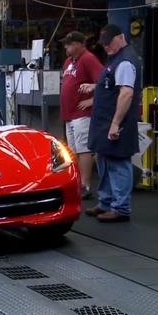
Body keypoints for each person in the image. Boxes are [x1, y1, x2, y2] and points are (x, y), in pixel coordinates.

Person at [80, 24, 142, 223]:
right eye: (103, 43)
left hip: (115, 123)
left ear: (121, 37)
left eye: (109, 42)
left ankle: (121, 208)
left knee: (118, 164)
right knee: (104, 162)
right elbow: (112, 85)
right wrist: (94, 86)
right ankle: (106, 202)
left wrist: (115, 124)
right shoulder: (115, 59)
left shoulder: (125, 61)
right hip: (103, 123)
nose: (106, 46)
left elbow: (126, 94)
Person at [59, 31, 104, 199]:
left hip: (82, 113)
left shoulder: (88, 58)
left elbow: (104, 81)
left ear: (79, 44)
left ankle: (85, 185)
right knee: (72, 150)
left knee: (84, 149)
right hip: (69, 114)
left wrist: (92, 100)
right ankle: (76, 182)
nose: (66, 46)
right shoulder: (69, 62)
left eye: (69, 44)